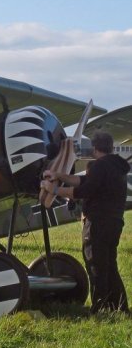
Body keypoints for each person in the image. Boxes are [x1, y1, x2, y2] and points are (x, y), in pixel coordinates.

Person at [41, 131, 130, 314]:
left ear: (94, 148)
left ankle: (99, 308)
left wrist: (54, 189)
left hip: (97, 222)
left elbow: (84, 190)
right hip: (114, 221)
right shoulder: (115, 166)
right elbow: (83, 180)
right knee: (109, 264)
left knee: (95, 264)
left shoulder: (99, 166)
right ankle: (119, 307)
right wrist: (59, 174)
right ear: (111, 147)